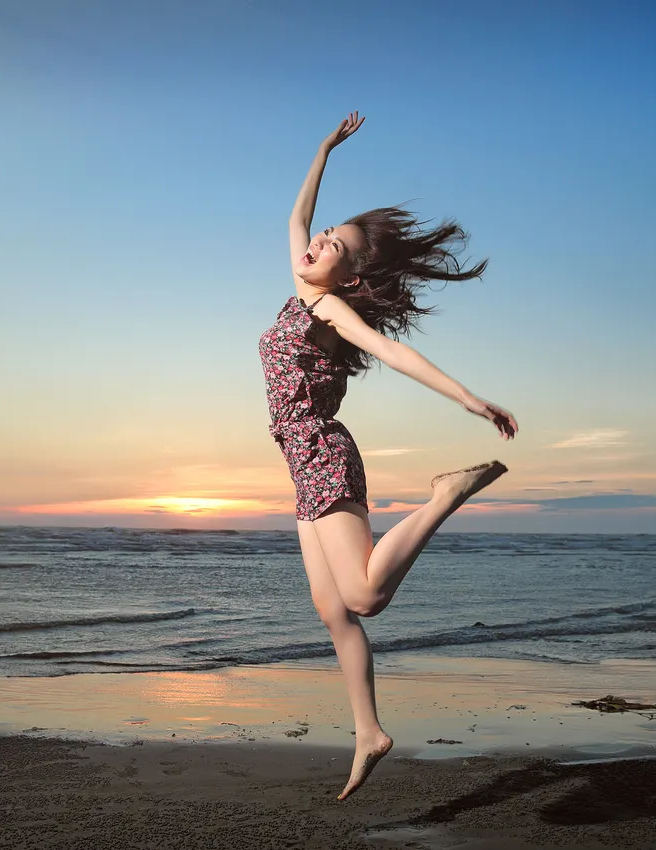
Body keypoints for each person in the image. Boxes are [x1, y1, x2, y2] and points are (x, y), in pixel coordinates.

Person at [259, 112, 519, 800]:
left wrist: (468, 398)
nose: (316, 241)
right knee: (333, 612)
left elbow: (393, 351)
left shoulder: (328, 313)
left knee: (365, 595)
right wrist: (321, 151)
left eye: (333, 245)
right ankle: (369, 732)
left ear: (346, 273)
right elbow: (297, 216)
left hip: (322, 452)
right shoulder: (300, 288)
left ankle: (446, 494)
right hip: (299, 465)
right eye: (323, 237)